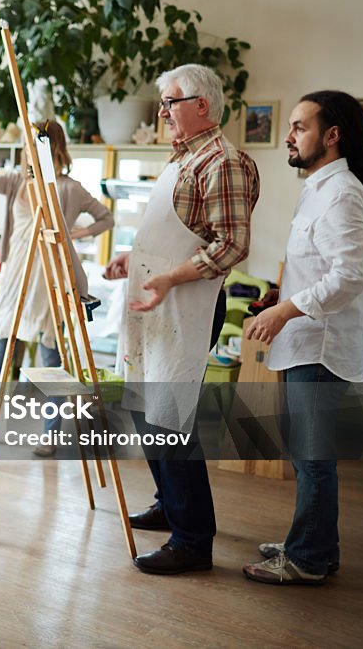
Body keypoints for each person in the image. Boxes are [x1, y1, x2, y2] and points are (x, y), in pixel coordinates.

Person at [103, 64, 259, 574]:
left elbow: (232, 243)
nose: (163, 111)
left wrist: (168, 277)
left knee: (171, 421)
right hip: (158, 301)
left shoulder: (223, 161)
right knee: (150, 412)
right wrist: (136, 258)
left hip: (187, 306)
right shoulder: (183, 157)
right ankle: (170, 504)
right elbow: (176, 232)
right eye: (163, 103)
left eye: (170, 102)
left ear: (202, 106)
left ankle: (192, 540)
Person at [242, 91, 363, 585]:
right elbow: (317, 267)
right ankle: (318, 545)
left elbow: (348, 277)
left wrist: (284, 310)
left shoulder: (341, 193)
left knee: (313, 458)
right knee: (307, 454)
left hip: (319, 347)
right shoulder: (320, 188)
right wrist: (281, 295)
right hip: (305, 339)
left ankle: (307, 559)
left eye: (299, 126)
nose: (288, 136)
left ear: (332, 134)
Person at [0, 120, 113, 447]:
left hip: (49, 278)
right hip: (16, 273)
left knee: (49, 358)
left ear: (49, 148)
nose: (26, 152)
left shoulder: (70, 188)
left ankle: (50, 433)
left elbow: (106, 218)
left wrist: (73, 236)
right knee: (0, 350)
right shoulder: (17, 181)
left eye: (32, 145)